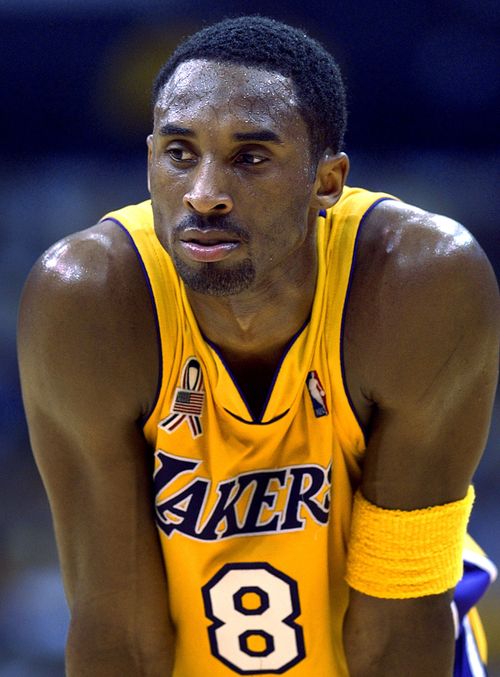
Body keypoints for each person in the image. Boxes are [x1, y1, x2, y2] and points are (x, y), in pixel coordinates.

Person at [18, 15, 498, 677]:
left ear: (327, 182)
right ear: (150, 160)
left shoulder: (419, 281)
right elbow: (117, 632)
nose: (205, 194)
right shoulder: (88, 299)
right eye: (180, 153)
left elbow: (399, 613)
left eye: (250, 157)